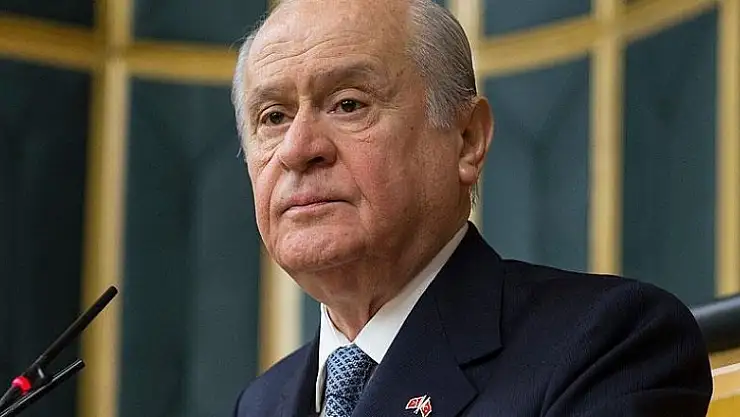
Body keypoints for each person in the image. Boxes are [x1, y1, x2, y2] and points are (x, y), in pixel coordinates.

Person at [230, 0, 713, 415]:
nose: (298, 148)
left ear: (466, 140)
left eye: (349, 104)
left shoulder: (609, 345)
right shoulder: (259, 404)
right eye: (273, 117)